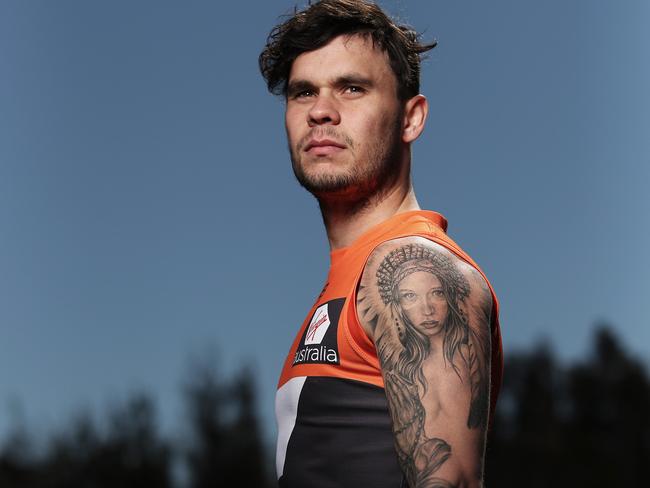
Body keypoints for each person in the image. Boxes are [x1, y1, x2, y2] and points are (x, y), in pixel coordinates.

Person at [259, 1, 503, 486]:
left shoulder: (414, 267)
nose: (321, 112)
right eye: (303, 92)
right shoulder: (352, 277)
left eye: (353, 88)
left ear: (411, 119)